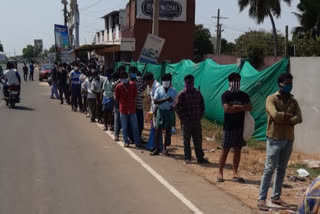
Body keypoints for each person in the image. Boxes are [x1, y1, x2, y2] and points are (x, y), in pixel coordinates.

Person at [257, 73, 302, 211]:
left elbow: (299, 118)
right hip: (274, 139)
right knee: (269, 168)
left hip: (288, 139)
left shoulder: (293, 101)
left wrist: (286, 118)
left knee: (281, 169)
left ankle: (276, 197)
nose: (289, 86)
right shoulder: (271, 99)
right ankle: (261, 199)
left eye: (291, 83)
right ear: (280, 84)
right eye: (287, 83)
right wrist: (288, 117)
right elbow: (275, 115)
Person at [218, 72, 252, 183]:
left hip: (240, 127)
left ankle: (235, 172)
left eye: (238, 80)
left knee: (238, 150)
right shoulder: (225, 95)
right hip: (228, 127)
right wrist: (242, 108)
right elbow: (227, 109)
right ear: (230, 82)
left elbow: (250, 107)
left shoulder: (243, 95)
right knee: (225, 149)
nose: (237, 83)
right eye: (234, 81)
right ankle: (220, 172)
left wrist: (238, 107)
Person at [173, 74, 209, 164]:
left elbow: (202, 104)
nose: (189, 83)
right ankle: (187, 157)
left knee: (198, 140)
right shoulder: (182, 94)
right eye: (188, 82)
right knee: (187, 140)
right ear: (185, 83)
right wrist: (183, 118)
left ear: (193, 82)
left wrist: (200, 115)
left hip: (196, 121)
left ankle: (200, 157)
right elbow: (176, 106)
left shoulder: (197, 92)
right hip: (187, 122)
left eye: (191, 82)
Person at [151, 73, 177, 156]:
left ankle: (164, 148)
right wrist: (166, 99)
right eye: (164, 80)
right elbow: (155, 101)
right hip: (161, 111)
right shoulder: (159, 89)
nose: (166, 82)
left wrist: (173, 106)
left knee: (168, 130)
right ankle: (157, 148)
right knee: (158, 130)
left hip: (169, 112)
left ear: (170, 81)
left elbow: (176, 102)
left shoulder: (173, 91)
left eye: (167, 80)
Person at [115, 71, 142, 148]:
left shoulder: (133, 85)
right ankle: (126, 141)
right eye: (123, 78)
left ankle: (137, 142)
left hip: (132, 109)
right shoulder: (118, 87)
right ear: (120, 78)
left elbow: (135, 96)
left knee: (135, 127)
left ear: (128, 77)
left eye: (125, 77)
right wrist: (117, 109)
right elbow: (116, 99)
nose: (124, 79)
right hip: (123, 109)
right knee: (124, 127)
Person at [128, 66, 147, 143]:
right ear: (129, 73)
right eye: (132, 72)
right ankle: (131, 138)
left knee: (140, 123)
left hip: (139, 105)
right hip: (130, 106)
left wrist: (140, 92)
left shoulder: (139, 79)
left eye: (135, 72)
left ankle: (139, 137)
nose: (134, 74)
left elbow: (144, 86)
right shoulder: (126, 81)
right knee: (130, 123)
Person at [111, 66, 125, 141]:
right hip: (117, 102)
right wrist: (120, 81)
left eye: (124, 71)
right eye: (121, 71)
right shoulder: (116, 81)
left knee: (124, 120)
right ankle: (116, 135)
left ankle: (125, 135)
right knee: (117, 119)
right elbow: (112, 87)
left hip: (124, 103)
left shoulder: (127, 81)